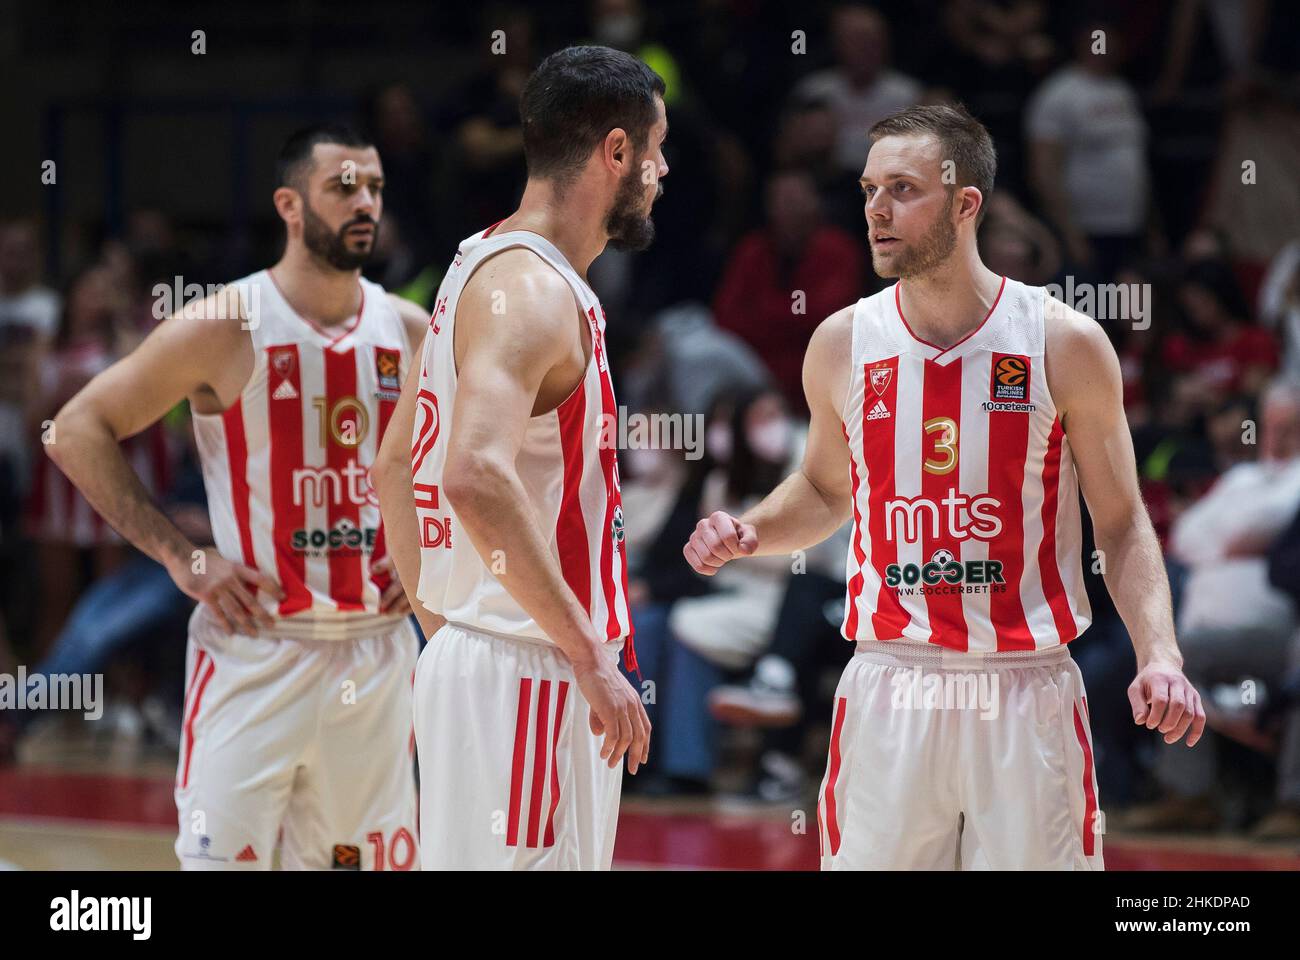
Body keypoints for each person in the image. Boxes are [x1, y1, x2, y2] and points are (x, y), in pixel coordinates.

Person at [684, 103, 1205, 870]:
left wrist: (1160, 654)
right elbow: (827, 491)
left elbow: (1123, 522)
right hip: (892, 680)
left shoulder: (1063, 342)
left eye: (903, 189)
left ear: (967, 204)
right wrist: (754, 529)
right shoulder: (841, 342)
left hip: (1026, 688)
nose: (876, 210)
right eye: (867, 190)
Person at [45, 124, 431, 871]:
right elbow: (74, 429)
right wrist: (180, 555)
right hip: (259, 651)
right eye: (343, 186)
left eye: (375, 188)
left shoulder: (411, 331)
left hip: (376, 658)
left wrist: (428, 571)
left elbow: (451, 472)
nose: (365, 204)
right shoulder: (225, 324)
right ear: (290, 204)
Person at [373, 45, 660, 870]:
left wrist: (446, 625)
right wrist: (583, 653)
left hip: (488, 655)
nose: (663, 169)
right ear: (616, 152)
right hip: (532, 670)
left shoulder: (473, 264)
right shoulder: (535, 293)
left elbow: (395, 467)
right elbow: (470, 474)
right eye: (656, 147)